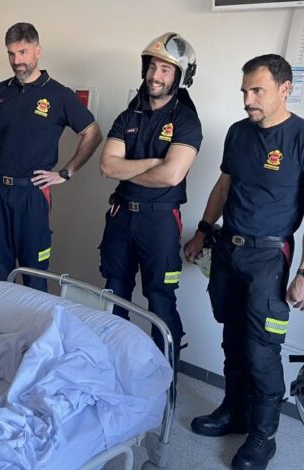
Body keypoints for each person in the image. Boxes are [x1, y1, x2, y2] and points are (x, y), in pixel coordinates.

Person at [183, 54, 304, 469]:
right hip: (228, 250)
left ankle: (263, 436)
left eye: (257, 91)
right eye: (245, 91)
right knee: (232, 338)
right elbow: (223, 185)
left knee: (262, 349)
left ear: (285, 89)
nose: (248, 99)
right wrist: (203, 229)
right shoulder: (238, 133)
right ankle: (235, 412)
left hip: (269, 256)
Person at [0, 22, 103, 291]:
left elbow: (93, 134)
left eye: (23, 52)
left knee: (34, 270)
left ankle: (34, 332)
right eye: (12, 54)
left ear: (37, 51)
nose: (17, 61)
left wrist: (65, 173)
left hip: (32, 193)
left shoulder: (59, 95)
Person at [98, 33, 202, 367]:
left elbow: (172, 176)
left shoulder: (186, 121)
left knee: (160, 299)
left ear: (180, 76)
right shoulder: (128, 117)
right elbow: (106, 165)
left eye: (166, 70)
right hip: (121, 217)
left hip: (159, 221)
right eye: (153, 67)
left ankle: (164, 376)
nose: (155, 76)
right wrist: (152, 163)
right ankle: (117, 364)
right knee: (115, 293)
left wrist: (126, 170)